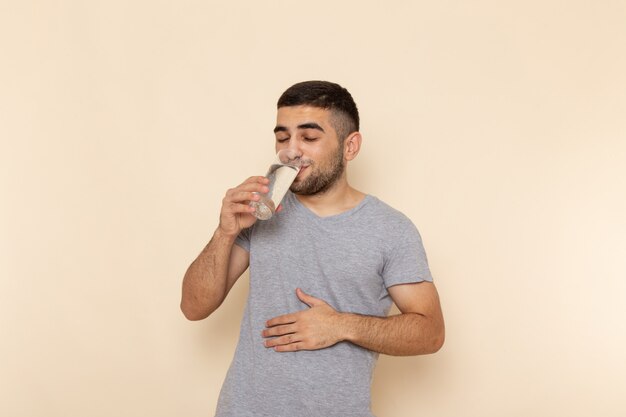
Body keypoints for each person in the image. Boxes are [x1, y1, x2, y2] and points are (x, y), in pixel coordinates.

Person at [181, 80, 445, 417]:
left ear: (350, 147)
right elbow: (193, 307)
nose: (291, 150)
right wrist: (224, 232)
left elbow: (431, 333)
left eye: (309, 137)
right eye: (282, 137)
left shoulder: (390, 229)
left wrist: (340, 325)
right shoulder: (258, 214)